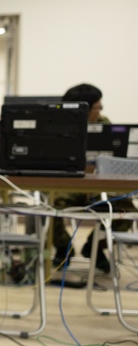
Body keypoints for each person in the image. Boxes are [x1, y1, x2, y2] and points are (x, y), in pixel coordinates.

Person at [51, 83, 128, 272]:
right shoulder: (57, 125)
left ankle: (93, 247)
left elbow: (114, 157)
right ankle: (63, 248)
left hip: (98, 185)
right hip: (66, 184)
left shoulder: (104, 124)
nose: (100, 112)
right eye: (97, 107)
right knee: (50, 206)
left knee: (125, 209)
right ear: (83, 108)